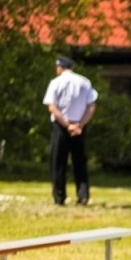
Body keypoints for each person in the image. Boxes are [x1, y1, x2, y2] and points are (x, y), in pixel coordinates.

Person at [43, 55, 97, 205]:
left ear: (59, 68)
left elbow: (52, 107)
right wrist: (80, 124)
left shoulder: (56, 83)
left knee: (58, 162)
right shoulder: (84, 82)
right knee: (80, 162)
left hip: (61, 126)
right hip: (79, 127)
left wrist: (67, 125)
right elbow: (91, 106)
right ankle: (83, 195)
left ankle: (59, 197)